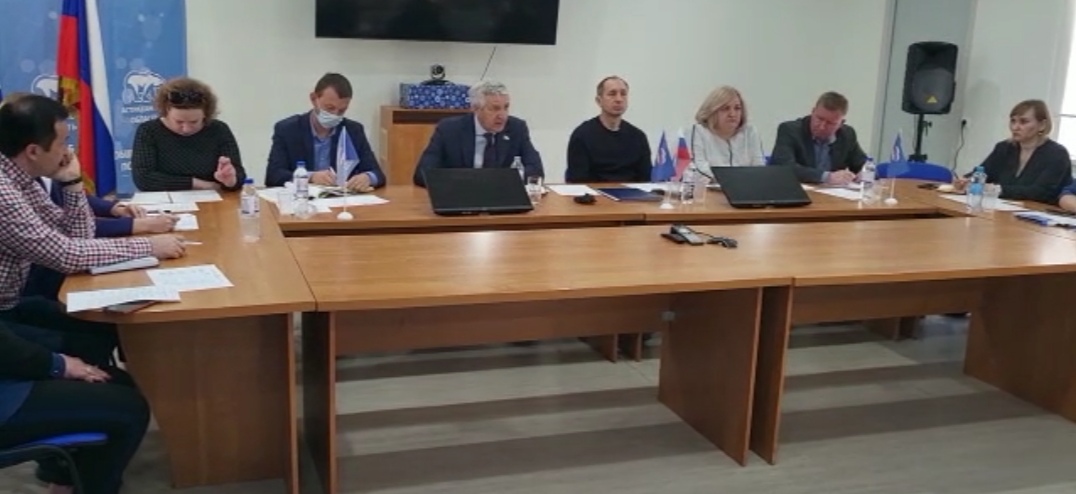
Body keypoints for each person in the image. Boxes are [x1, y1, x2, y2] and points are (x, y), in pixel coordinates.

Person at [0, 94, 185, 494]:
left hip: (11, 309)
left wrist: (70, 184)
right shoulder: (3, 192)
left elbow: (76, 235)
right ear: (32, 151)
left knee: (97, 332)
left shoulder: (20, 178)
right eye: (63, 143)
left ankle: (63, 473)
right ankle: (73, 472)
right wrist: (148, 246)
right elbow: (66, 254)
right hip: (5, 326)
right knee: (127, 403)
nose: (69, 151)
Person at [264, 73, 386, 191]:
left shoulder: (353, 130)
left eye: (342, 110)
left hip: (341, 200)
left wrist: (368, 178)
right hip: (302, 199)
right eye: (330, 108)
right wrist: (311, 177)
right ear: (314, 99)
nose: (335, 115)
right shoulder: (288, 130)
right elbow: (273, 176)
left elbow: (378, 174)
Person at [412, 80, 544, 187]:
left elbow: (536, 171)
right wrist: (469, 183)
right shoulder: (449, 130)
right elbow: (423, 174)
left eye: (506, 107)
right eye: (495, 109)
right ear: (475, 108)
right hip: (460, 199)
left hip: (501, 199)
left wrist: (498, 183)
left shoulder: (516, 128)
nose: (502, 115)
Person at [131, 77, 247, 192]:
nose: (186, 129)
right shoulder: (149, 131)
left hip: (214, 200)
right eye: (179, 122)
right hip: (166, 200)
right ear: (166, 111)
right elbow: (143, 178)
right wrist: (198, 184)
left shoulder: (219, 130)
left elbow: (238, 174)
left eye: (194, 122)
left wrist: (231, 181)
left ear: (206, 114)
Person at [956, 99, 1071, 204]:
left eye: (1023, 122)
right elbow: (982, 173)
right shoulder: (1004, 148)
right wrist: (966, 180)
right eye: (1013, 121)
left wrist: (997, 189)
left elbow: (1040, 192)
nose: (1015, 127)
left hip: (1039, 213)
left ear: (1042, 125)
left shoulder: (1057, 154)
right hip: (1000, 209)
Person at [565, 76, 652, 183]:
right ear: (599, 101)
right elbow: (577, 181)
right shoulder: (582, 135)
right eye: (612, 94)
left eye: (623, 94)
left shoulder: (638, 137)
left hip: (631, 193)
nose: (619, 99)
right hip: (594, 192)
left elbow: (645, 180)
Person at [770, 91, 868, 185]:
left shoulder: (847, 135)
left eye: (830, 123)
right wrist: (827, 177)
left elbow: (862, 165)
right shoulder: (790, 130)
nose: (822, 126)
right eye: (819, 119)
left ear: (841, 123)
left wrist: (864, 174)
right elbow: (784, 167)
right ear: (813, 111)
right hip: (797, 191)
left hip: (831, 194)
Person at [691, 85, 766, 167]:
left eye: (737, 108)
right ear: (712, 111)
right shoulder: (699, 132)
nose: (732, 114)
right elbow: (699, 167)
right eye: (725, 109)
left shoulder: (750, 132)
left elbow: (759, 167)